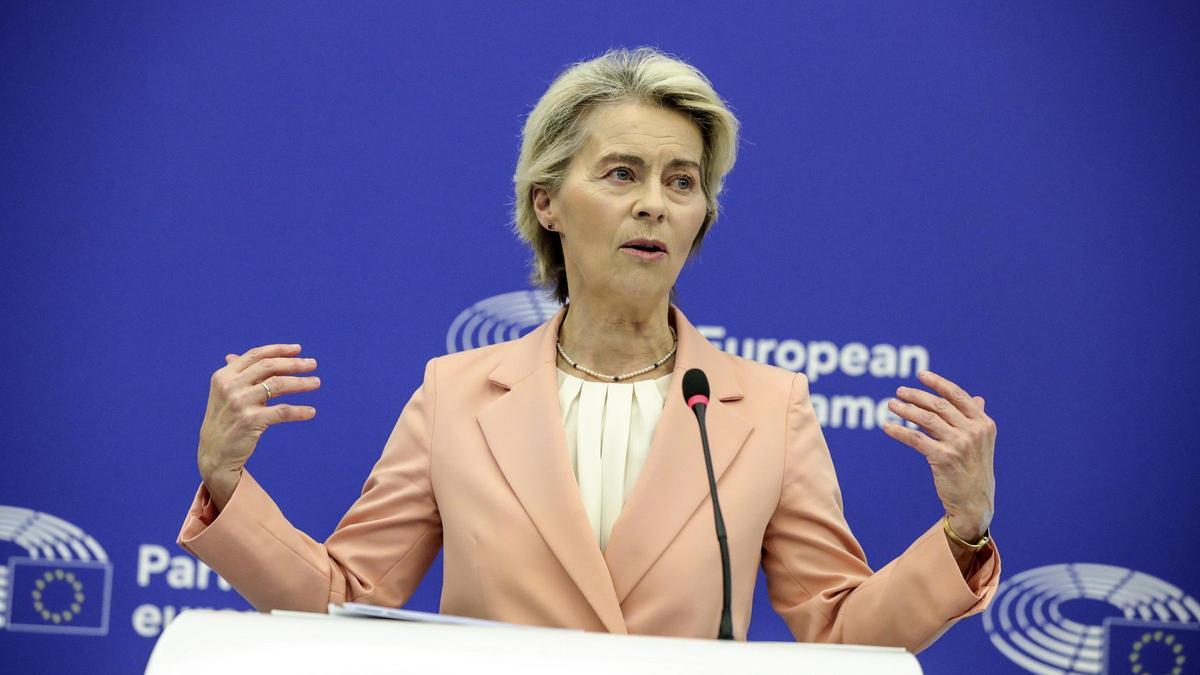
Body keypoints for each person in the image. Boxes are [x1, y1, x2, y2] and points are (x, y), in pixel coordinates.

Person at [179, 47, 999, 650]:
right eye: (621, 174)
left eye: (682, 182)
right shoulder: (456, 394)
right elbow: (341, 601)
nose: (655, 205)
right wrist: (227, 482)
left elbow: (838, 632)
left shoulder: (765, 407)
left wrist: (961, 532)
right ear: (548, 203)